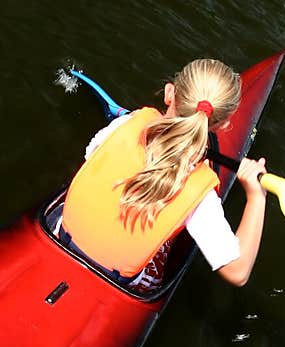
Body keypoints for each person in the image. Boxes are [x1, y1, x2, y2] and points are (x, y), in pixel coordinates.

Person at [59, 58, 267, 292]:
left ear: (170, 93)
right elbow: (238, 272)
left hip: (63, 234)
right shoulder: (200, 194)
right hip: (121, 280)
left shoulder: (125, 125)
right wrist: (256, 198)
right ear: (225, 125)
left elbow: (92, 156)